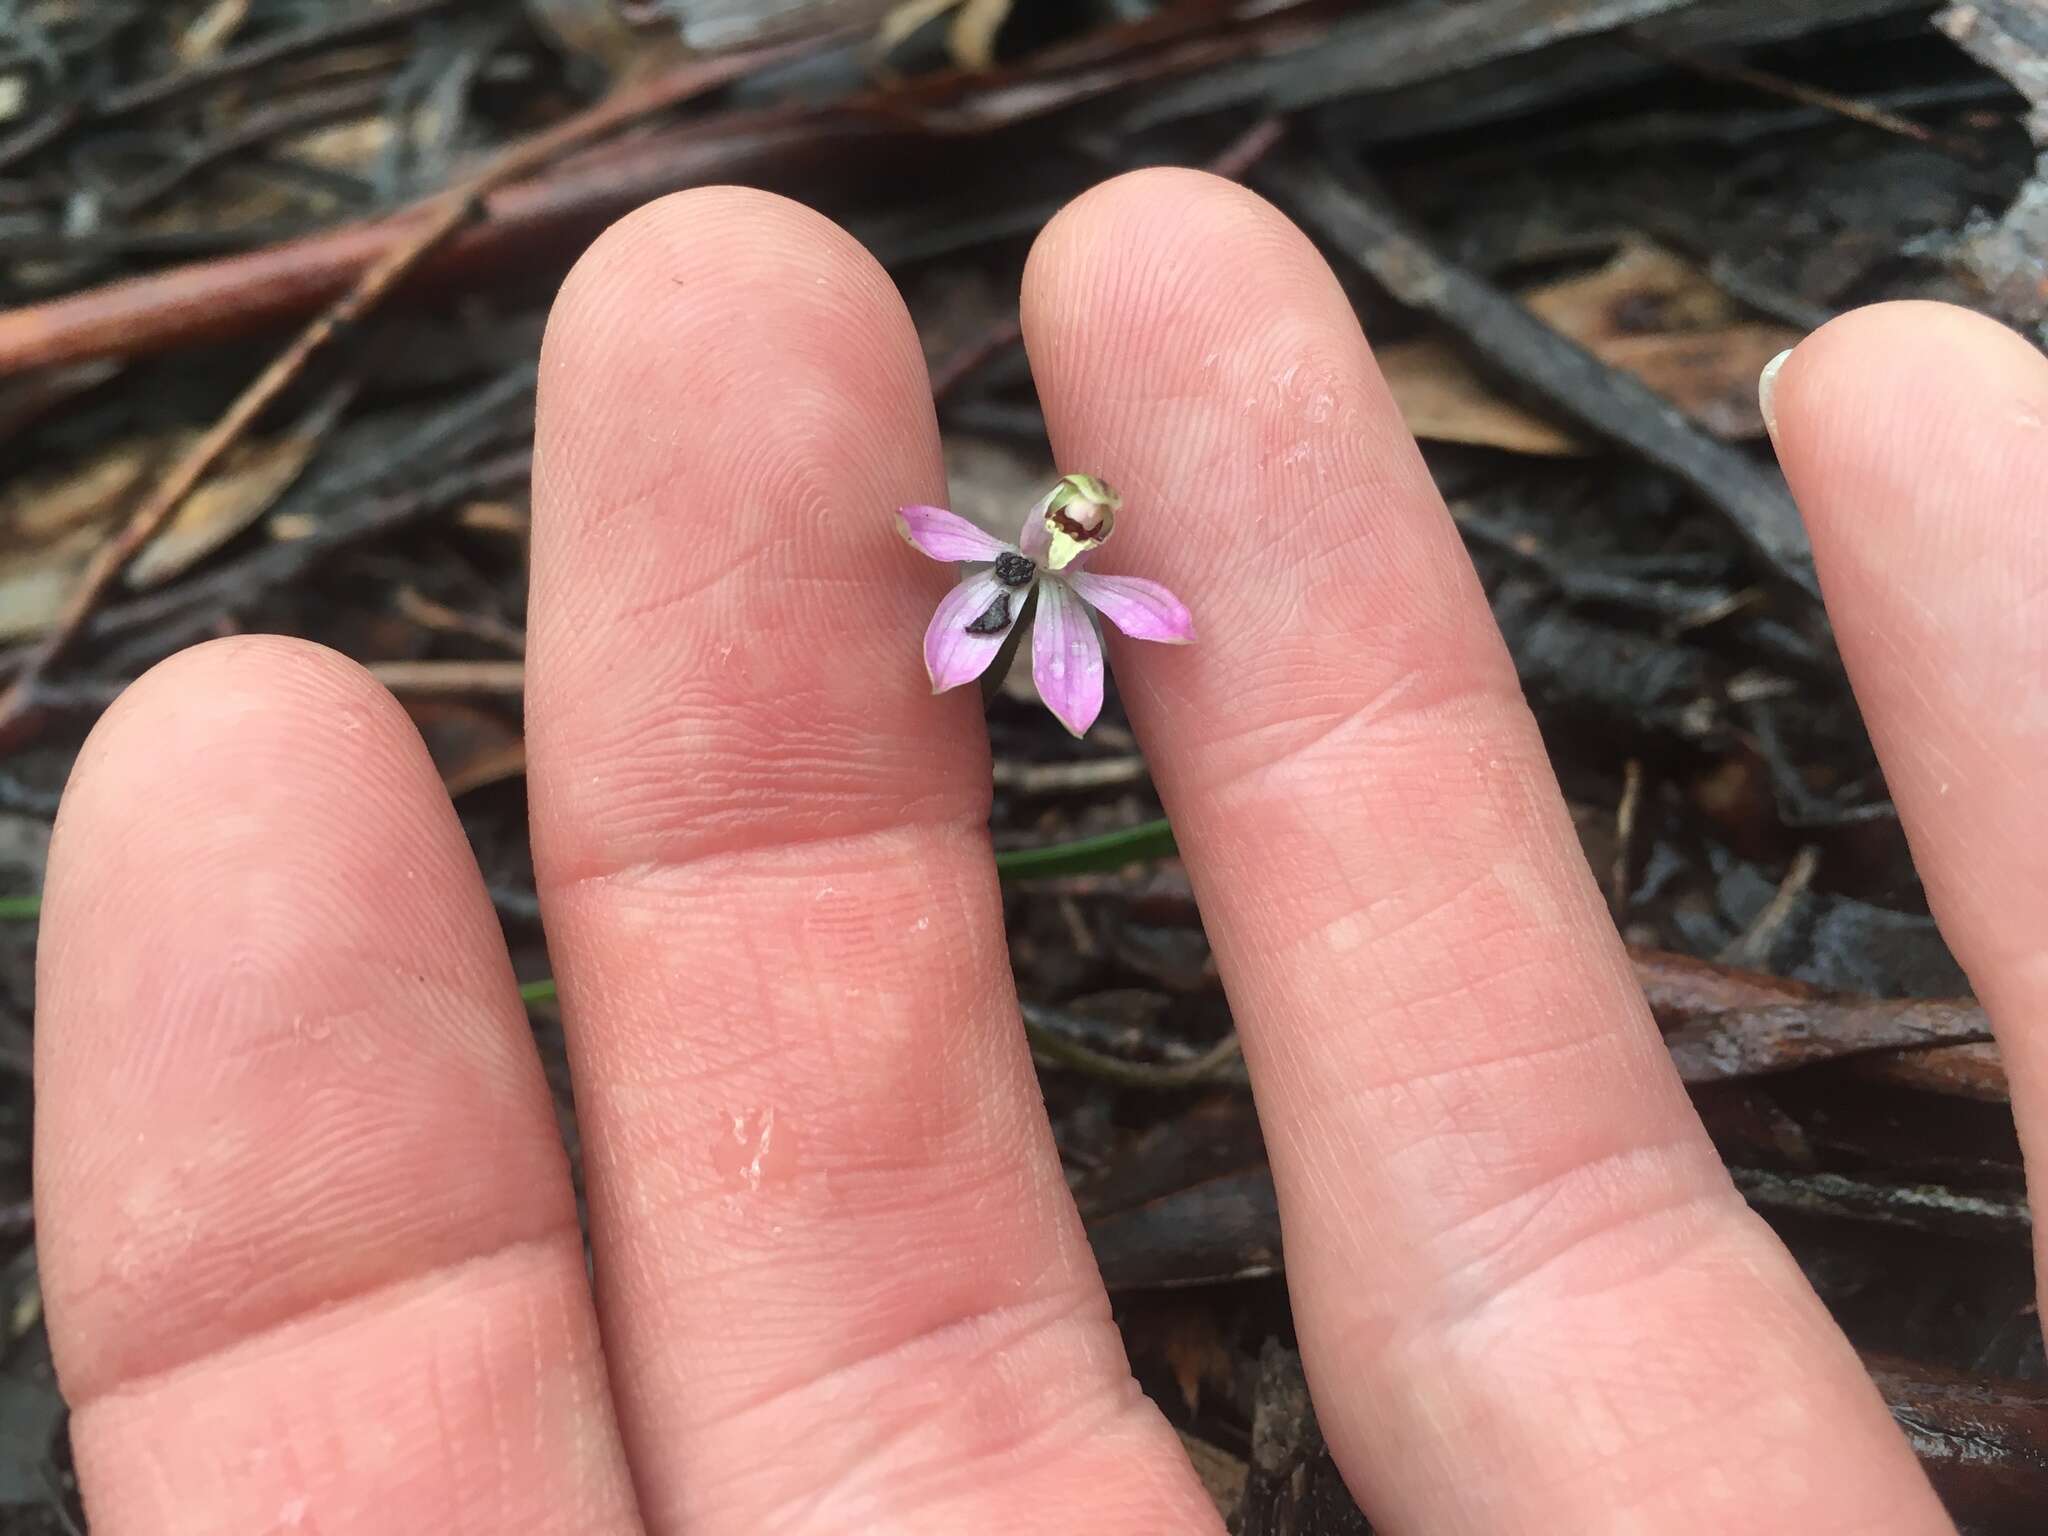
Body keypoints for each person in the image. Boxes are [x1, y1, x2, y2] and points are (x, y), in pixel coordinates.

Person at [31, 171, 2041, 1534]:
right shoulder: (991, 577)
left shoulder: (1059, 579)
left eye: (1053, 557)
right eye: (1034, 560)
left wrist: (1049, 570)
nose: (1031, 577)